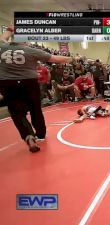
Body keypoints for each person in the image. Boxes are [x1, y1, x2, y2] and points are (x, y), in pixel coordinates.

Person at [0, 23, 77, 152]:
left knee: (16, 113)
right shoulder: (30, 50)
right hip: (28, 82)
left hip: (7, 84)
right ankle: (40, 133)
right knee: (35, 109)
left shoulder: (2, 47)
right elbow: (55, 59)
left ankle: (28, 135)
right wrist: (72, 58)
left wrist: (9, 30)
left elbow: (3, 38)